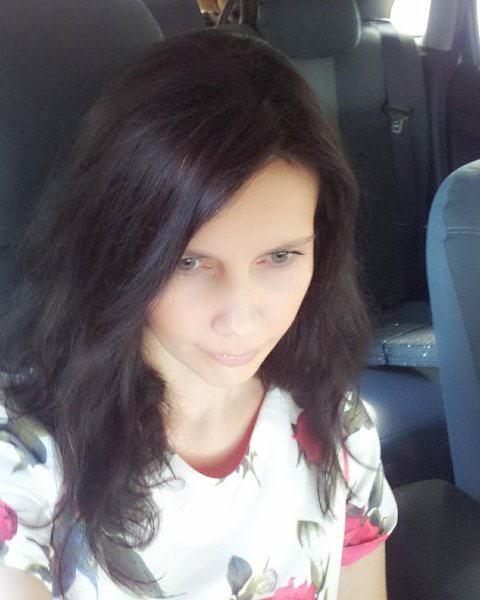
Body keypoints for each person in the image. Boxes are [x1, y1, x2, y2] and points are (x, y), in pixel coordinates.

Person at [0, 29, 397, 599]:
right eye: (188, 262)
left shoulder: (338, 426)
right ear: (119, 247)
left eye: (280, 257)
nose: (241, 320)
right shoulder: (24, 457)